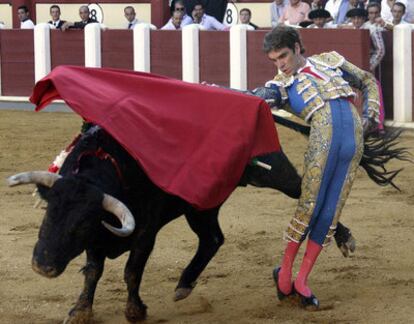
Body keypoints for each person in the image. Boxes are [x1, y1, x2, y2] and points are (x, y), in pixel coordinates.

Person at [245, 26, 380, 309]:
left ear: (296, 46)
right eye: (274, 60)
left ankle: (302, 279)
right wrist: (223, 92)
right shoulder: (280, 85)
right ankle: (284, 272)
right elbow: (256, 98)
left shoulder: (330, 60)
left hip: (353, 145)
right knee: (310, 208)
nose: (280, 65)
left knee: (331, 213)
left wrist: (370, 115)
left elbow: (367, 80)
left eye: (283, 56)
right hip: (324, 143)